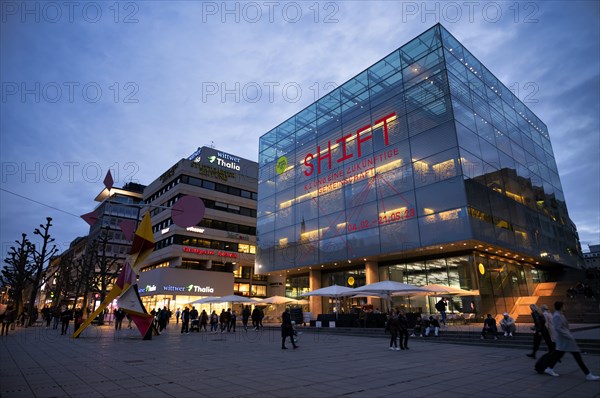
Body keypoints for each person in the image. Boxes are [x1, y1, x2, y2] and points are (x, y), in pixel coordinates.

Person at [544, 301, 600, 381]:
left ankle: (549, 368)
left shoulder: (560, 314)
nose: (565, 307)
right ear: (561, 306)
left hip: (564, 341)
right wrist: (569, 336)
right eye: (564, 305)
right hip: (565, 339)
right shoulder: (557, 315)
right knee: (577, 357)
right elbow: (558, 328)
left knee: (558, 355)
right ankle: (588, 374)